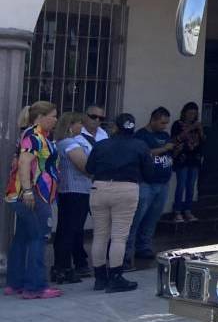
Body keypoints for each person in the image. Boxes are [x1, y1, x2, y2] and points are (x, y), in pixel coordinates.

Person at [86, 114, 153, 292]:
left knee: (100, 235)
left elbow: (89, 168)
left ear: (115, 127)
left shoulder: (101, 145)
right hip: (127, 189)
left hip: (99, 188)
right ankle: (115, 277)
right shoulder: (140, 145)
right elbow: (149, 172)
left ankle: (99, 278)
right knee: (119, 236)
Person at [4, 101, 62, 299]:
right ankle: (35, 286)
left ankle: (15, 282)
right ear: (40, 117)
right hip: (34, 195)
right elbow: (24, 163)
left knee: (22, 237)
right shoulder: (35, 136)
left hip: (25, 195)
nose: (56, 119)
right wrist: (28, 191)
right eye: (53, 116)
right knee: (38, 238)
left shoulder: (32, 135)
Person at [126, 107, 177, 263]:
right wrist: (163, 149)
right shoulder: (141, 136)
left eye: (166, 123)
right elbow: (143, 154)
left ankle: (144, 247)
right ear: (153, 120)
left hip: (163, 182)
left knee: (152, 217)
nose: (164, 126)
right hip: (146, 183)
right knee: (137, 217)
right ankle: (127, 251)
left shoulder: (165, 135)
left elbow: (169, 152)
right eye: (162, 123)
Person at [52, 112, 92, 284]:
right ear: (70, 125)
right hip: (76, 190)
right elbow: (85, 166)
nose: (81, 128)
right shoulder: (70, 143)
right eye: (79, 124)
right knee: (70, 230)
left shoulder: (60, 142)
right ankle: (64, 268)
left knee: (66, 229)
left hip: (68, 191)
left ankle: (62, 267)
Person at [171, 102, 205, 222]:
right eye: (190, 113)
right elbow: (175, 139)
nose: (192, 116)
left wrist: (200, 130)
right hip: (182, 158)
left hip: (194, 159)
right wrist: (190, 128)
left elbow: (203, 141)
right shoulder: (177, 124)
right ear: (184, 113)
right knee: (181, 185)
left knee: (191, 186)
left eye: (194, 114)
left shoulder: (198, 125)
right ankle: (177, 211)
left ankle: (188, 210)